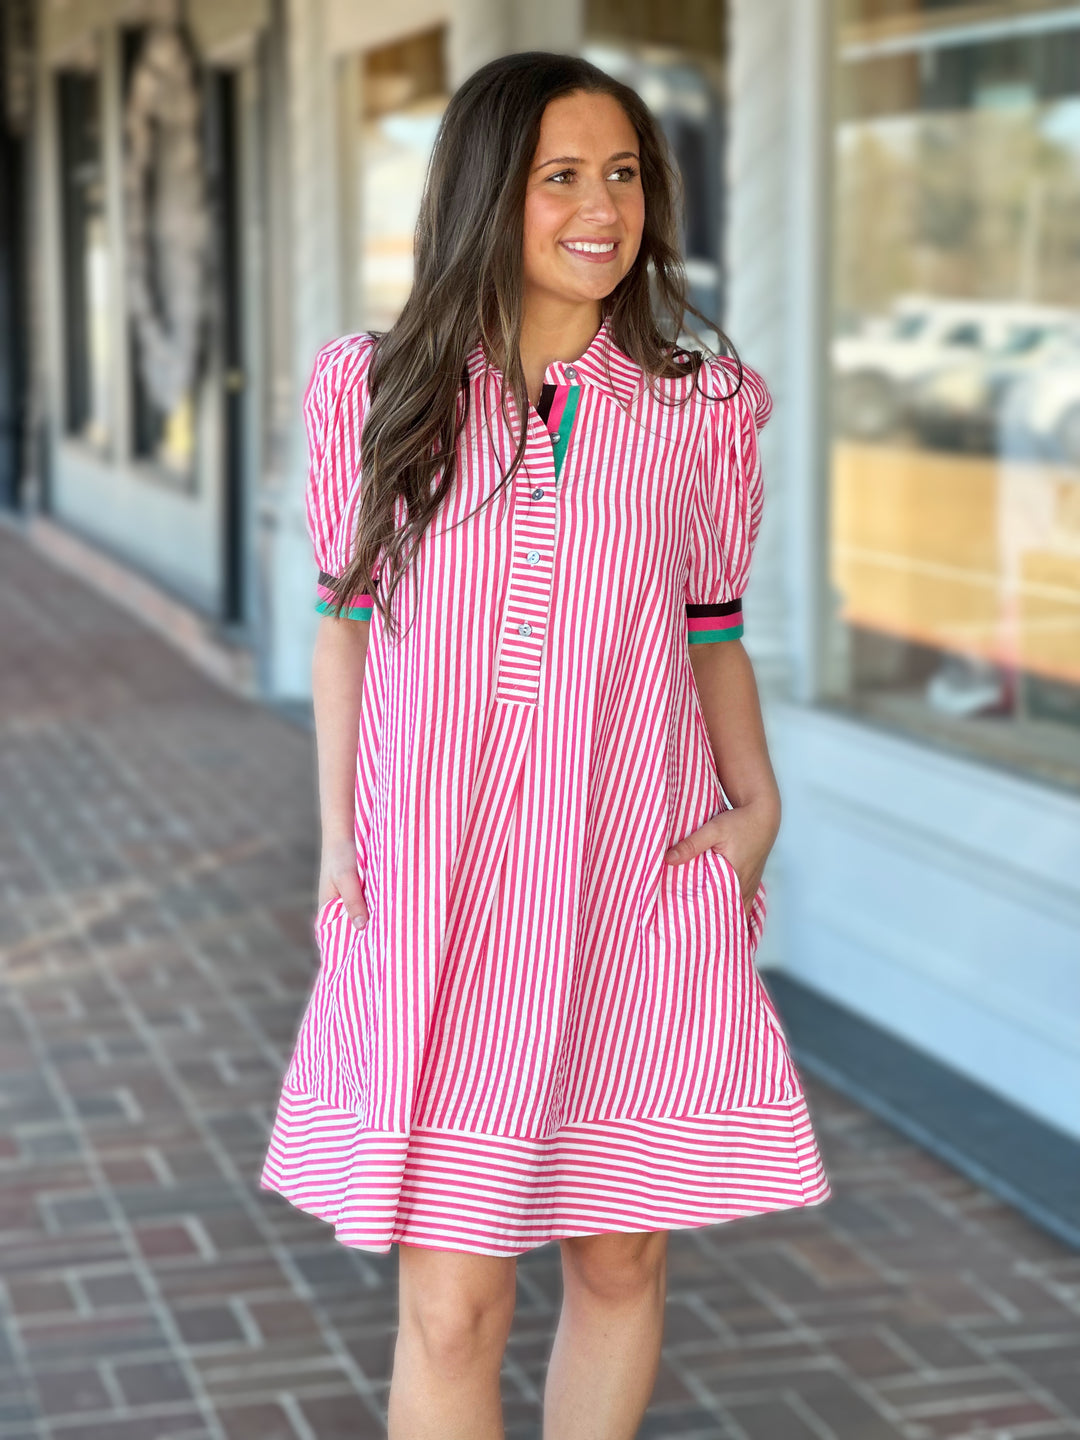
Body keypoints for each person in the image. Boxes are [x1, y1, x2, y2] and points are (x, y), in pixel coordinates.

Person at [260, 50, 831, 1440]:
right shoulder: (374, 386)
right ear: (482, 195)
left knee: (619, 1254)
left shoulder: (701, 408)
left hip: (633, 880)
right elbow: (345, 633)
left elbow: (712, 634)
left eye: (624, 173)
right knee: (453, 1301)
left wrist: (755, 812)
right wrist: (343, 845)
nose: (602, 207)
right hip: (439, 893)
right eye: (559, 176)